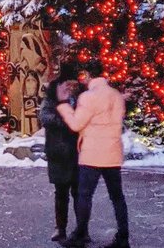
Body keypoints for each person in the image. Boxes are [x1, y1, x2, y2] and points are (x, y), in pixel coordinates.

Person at [56, 59, 131, 248]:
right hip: (113, 153)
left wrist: (64, 106)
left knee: (84, 195)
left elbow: (76, 124)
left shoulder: (89, 97)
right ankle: (123, 236)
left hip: (92, 154)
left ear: (89, 75)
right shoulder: (116, 95)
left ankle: (80, 234)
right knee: (117, 196)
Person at [37, 61, 82, 243]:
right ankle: (60, 227)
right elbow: (44, 117)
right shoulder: (52, 97)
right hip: (58, 151)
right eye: (68, 84)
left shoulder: (82, 96)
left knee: (80, 193)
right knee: (61, 193)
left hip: (79, 151)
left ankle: (81, 228)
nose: (71, 87)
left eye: (74, 84)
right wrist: (67, 120)